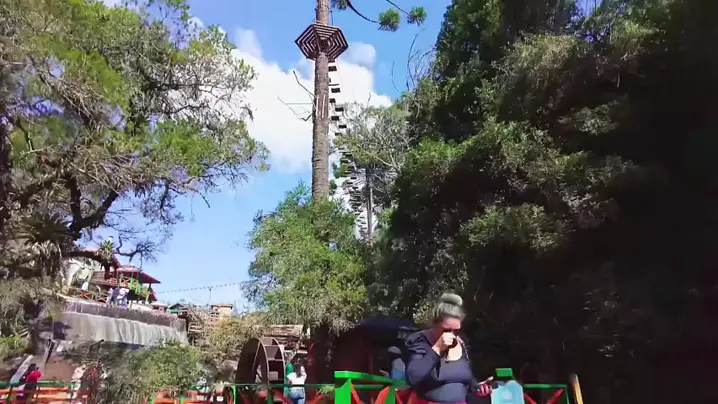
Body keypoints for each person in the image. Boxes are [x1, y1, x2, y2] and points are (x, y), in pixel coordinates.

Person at [404, 293, 492, 404]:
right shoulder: (421, 342)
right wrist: (437, 348)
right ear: (435, 324)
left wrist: (478, 387)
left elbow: (466, 381)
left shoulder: (462, 344)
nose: (452, 335)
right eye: (446, 330)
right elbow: (413, 377)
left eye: (456, 331)